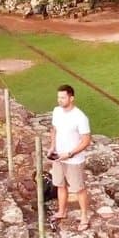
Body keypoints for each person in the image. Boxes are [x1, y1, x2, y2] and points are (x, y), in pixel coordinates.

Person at [48, 84, 92, 230]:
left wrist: (70, 153)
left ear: (71, 98)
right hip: (59, 157)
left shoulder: (80, 117)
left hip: (74, 160)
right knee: (60, 185)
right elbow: (54, 130)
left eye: (62, 97)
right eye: (58, 97)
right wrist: (52, 147)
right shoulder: (56, 111)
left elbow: (86, 141)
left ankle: (84, 217)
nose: (59, 100)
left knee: (79, 188)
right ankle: (62, 211)